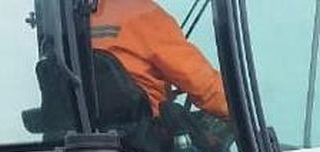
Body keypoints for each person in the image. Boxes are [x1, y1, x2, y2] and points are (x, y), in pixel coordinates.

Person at [89, 0, 230, 119]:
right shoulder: (140, 13)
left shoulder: (73, 18)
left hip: (82, 138)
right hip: (143, 141)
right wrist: (243, 105)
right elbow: (203, 85)